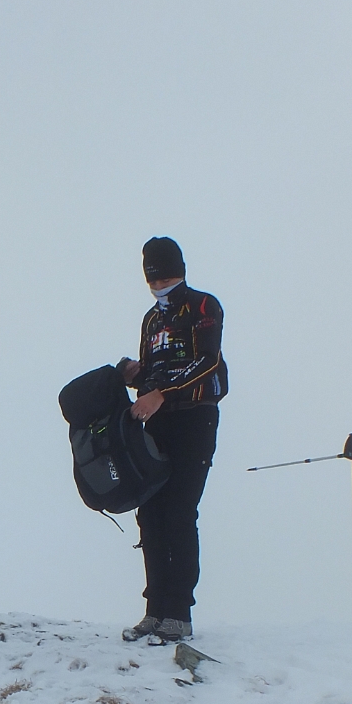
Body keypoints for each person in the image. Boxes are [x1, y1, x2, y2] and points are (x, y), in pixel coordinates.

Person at [119, 236, 227, 643]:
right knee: (150, 514)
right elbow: (153, 372)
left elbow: (208, 360)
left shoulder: (203, 305)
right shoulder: (150, 319)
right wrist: (136, 377)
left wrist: (160, 392)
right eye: (153, 278)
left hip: (197, 419)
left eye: (166, 275)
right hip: (158, 422)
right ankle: (154, 610)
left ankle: (179, 612)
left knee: (180, 512)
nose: (159, 284)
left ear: (180, 270)